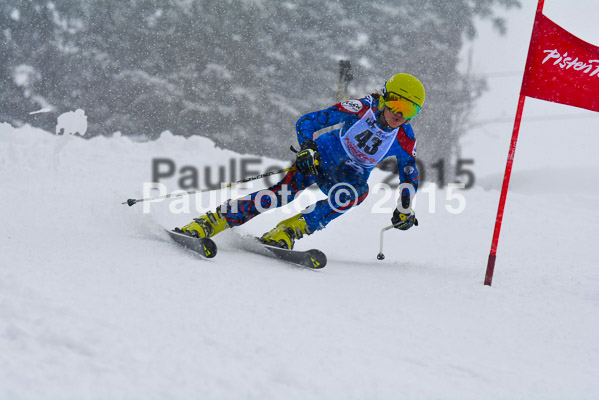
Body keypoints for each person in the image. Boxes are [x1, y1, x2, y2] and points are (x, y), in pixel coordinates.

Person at [177, 73, 424, 249]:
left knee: (357, 192)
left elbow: (409, 175)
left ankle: (288, 230)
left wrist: (404, 207)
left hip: (348, 177)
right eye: (397, 104)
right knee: (281, 195)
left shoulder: (404, 138)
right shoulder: (361, 108)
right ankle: (212, 221)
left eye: (410, 111)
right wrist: (307, 148)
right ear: (384, 97)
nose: (400, 115)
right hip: (319, 159)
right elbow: (309, 121)